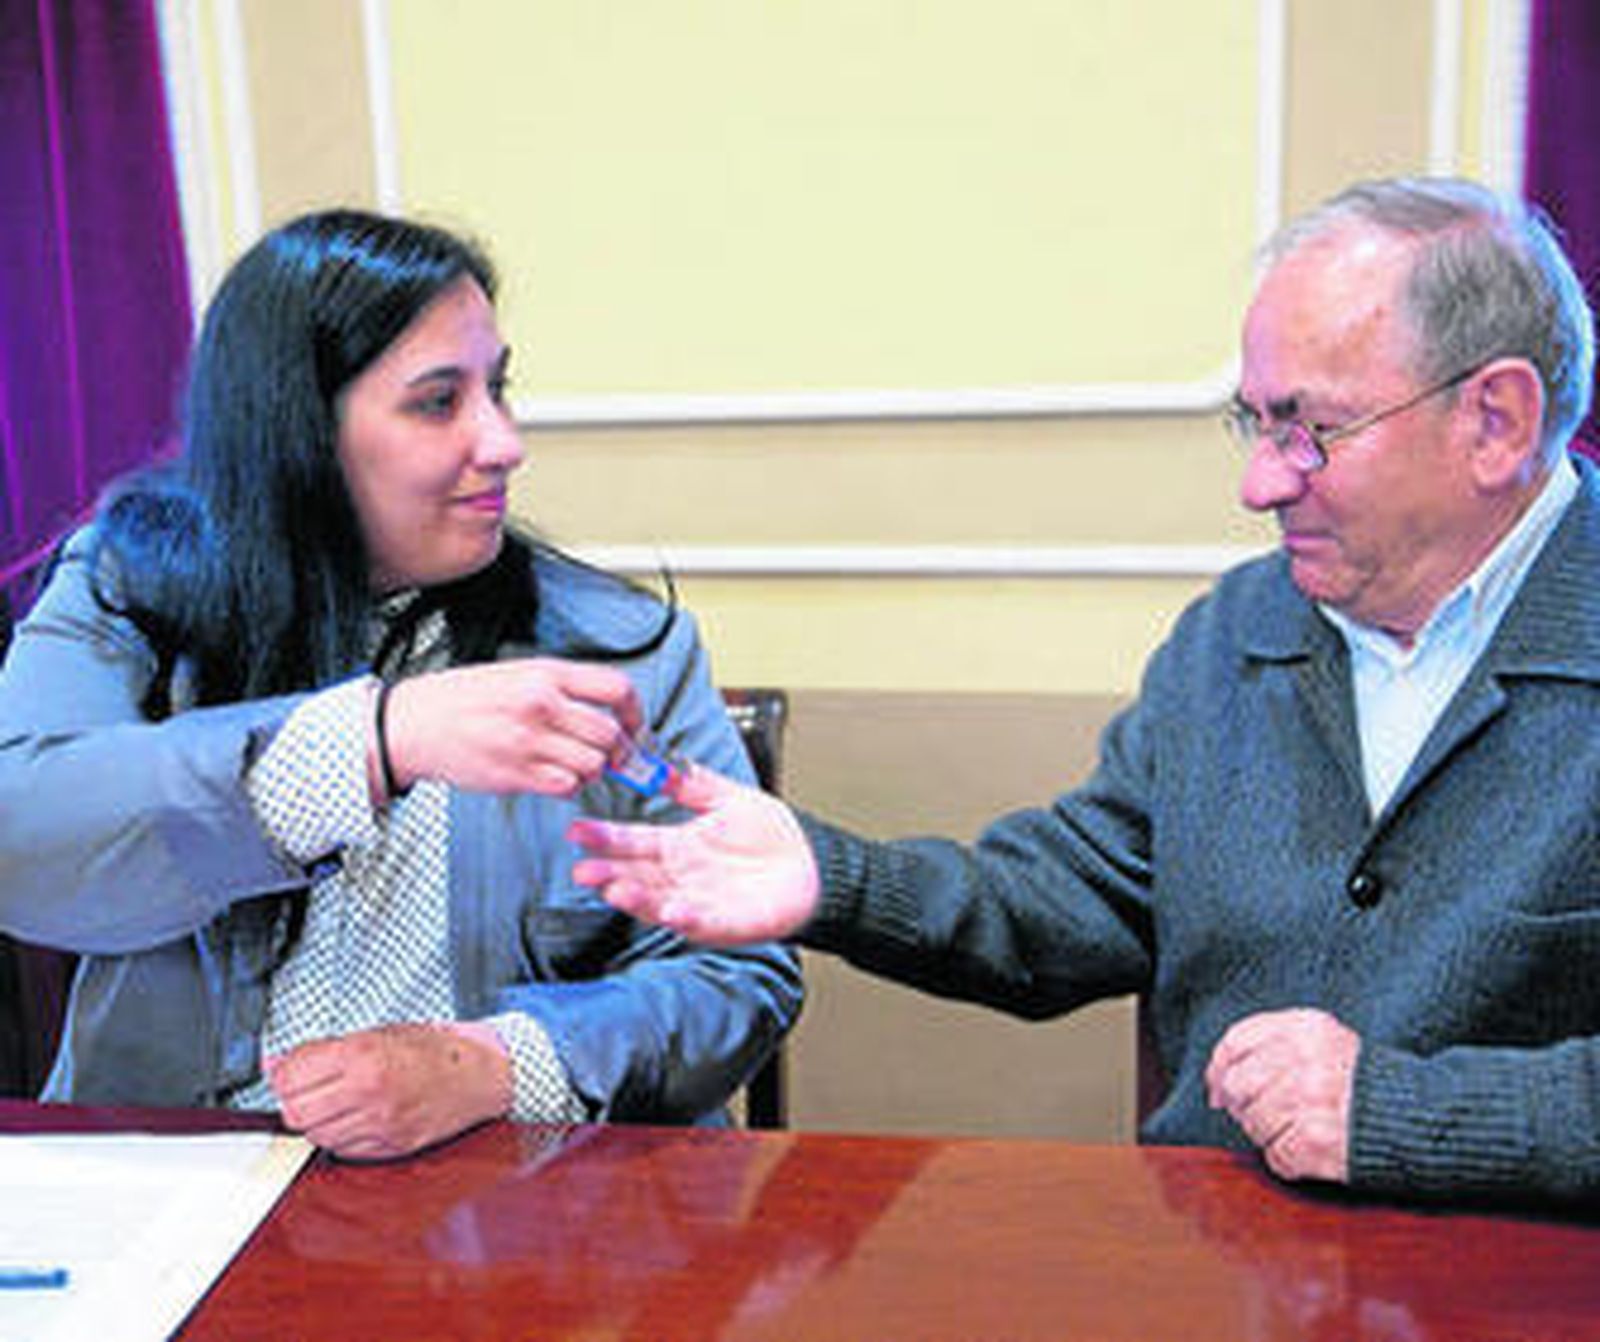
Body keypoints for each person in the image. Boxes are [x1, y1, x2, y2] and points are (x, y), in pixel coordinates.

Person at [570, 176, 1600, 1206]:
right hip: (1221, 1270)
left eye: (1309, 429)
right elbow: (1069, 900)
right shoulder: (1238, 632)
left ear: (1495, 421)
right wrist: (831, 880)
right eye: (1257, 426)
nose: (1262, 484)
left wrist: (1399, 1115)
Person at [0, 209, 800, 1159]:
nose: (504, 442)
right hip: (171, 1189)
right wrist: (375, 742)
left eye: (497, 390)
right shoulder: (126, 590)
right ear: (297, 431)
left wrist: (496, 1065)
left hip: (526, 1203)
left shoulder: (617, 652)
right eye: (438, 401)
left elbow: (737, 977)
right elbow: (23, 835)